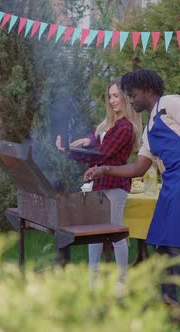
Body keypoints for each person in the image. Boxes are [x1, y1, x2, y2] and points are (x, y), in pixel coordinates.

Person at [84, 69, 180, 320]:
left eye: (132, 95)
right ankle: (168, 303)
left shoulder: (170, 104)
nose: (130, 101)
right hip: (172, 180)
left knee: (176, 242)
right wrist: (105, 169)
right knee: (160, 241)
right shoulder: (148, 130)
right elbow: (138, 167)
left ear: (148, 89)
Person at [56, 79, 142, 295]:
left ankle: (122, 282)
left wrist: (70, 150)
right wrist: (83, 142)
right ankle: (92, 279)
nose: (113, 100)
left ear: (125, 97)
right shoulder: (109, 123)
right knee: (93, 232)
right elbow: (94, 140)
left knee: (116, 233)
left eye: (116, 95)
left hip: (116, 185)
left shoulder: (126, 127)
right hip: (100, 184)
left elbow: (102, 153)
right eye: (110, 96)